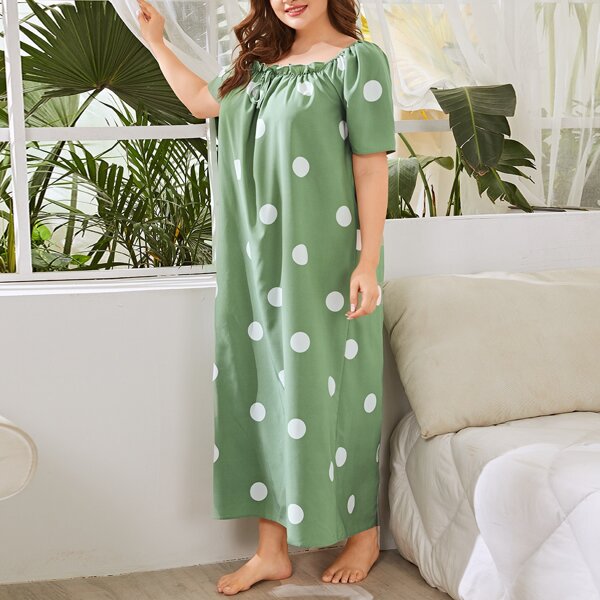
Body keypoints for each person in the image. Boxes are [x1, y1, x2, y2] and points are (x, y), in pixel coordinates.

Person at [137, 0, 396, 594]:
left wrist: (367, 261)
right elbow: (200, 102)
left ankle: (362, 530)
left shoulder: (359, 62)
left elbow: (371, 167)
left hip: (328, 263)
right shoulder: (255, 67)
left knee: (332, 393)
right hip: (253, 265)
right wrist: (156, 42)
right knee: (258, 392)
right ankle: (271, 550)